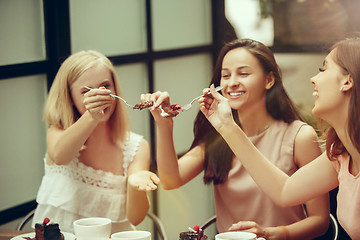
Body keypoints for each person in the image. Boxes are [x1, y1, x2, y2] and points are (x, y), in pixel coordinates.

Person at [141, 39, 329, 239]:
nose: (232, 83)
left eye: (244, 73)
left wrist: (272, 234)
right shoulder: (220, 136)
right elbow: (171, 180)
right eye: (225, 75)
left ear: (269, 80)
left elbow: (320, 221)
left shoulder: (299, 137)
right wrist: (163, 125)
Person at [199, 37, 360, 239]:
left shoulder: (300, 136)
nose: (313, 79)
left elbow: (318, 220)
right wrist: (226, 126)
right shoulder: (340, 155)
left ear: (347, 81)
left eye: (323, 69)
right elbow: (285, 191)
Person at [32, 50, 159, 233]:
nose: (99, 96)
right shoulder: (58, 132)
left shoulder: (137, 147)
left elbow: (136, 218)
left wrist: (134, 185)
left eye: (105, 86)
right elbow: (60, 156)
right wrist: (91, 116)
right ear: (70, 98)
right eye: (86, 92)